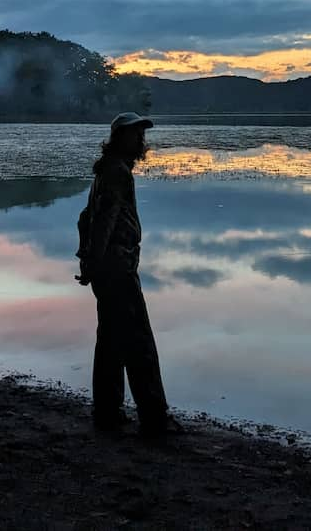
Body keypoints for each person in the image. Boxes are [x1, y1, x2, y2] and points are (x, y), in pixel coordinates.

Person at [76, 112, 179, 438]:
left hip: (109, 268)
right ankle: (154, 418)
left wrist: (88, 260)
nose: (141, 141)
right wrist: (92, 261)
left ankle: (107, 412)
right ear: (120, 139)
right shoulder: (117, 172)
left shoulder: (106, 171)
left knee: (110, 341)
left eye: (141, 135)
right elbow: (102, 220)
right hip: (117, 269)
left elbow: (85, 218)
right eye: (135, 135)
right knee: (138, 342)